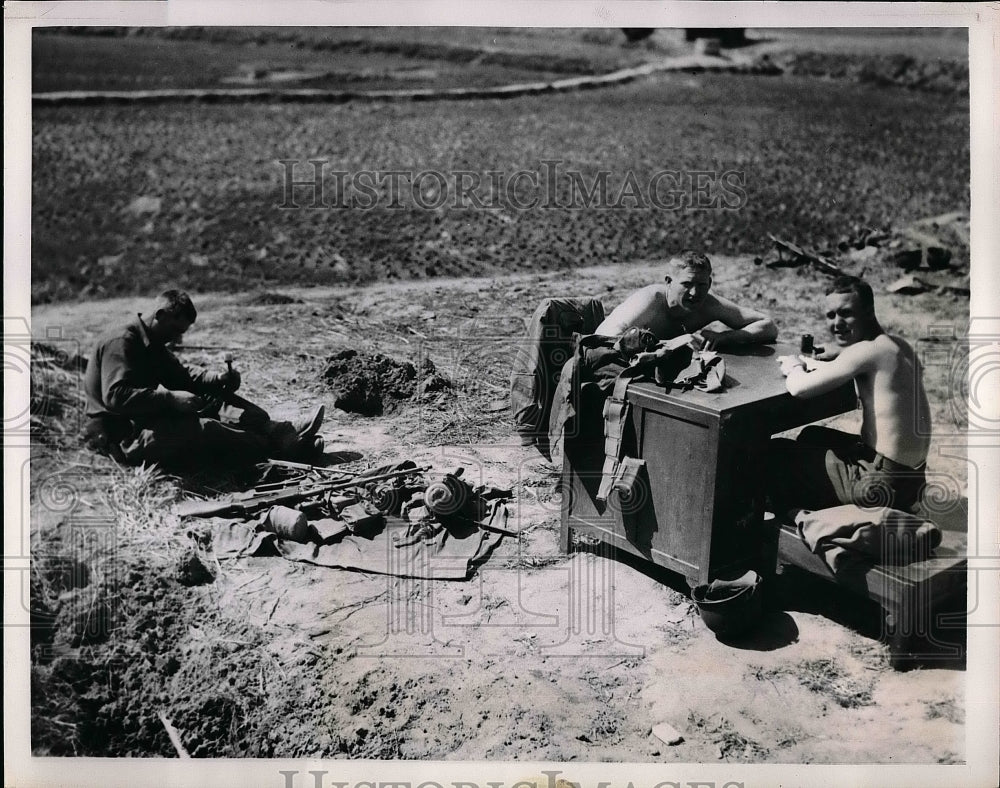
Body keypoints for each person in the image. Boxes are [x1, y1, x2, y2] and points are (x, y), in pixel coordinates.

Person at [83, 289, 325, 467]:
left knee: (212, 398)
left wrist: (218, 379)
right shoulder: (122, 342)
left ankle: (273, 428)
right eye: (175, 331)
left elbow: (181, 377)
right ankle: (278, 450)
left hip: (144, 416)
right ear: (160, 315)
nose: (177, 340)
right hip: (122, 435)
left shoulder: (152, 341)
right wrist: (169, 398)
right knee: (205, 429)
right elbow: (115, 397)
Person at [769, 275, 931, 513]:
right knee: (811, 435)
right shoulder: (898, 345)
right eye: (831, 315)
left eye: (846, 313)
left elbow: (799, 388)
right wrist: (841, 356)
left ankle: (783, 519)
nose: (837, 323)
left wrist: (794, 366)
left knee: (776, 453)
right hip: (912, 479)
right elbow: (875, 374)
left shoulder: (865, 353)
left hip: (881, 484)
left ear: (868, 311)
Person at [594, 250, 778, 358]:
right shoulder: (649, 300)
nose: (695, 293)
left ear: (710, 284)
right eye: (687, 284)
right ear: (669, 281)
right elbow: (600, 342)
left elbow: (768, 325)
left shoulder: (709, 303)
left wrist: (726, 337)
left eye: (701, 285)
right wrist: (669, 345)